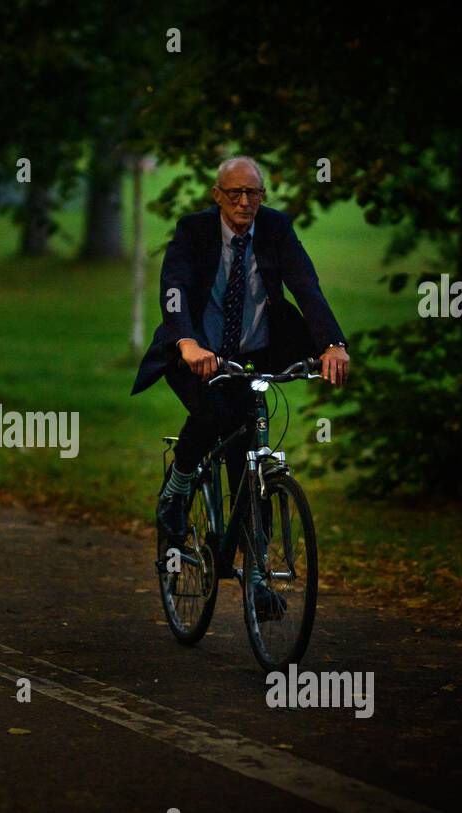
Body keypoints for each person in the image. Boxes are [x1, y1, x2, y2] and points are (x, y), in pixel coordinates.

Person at [131, 156, 350, 606]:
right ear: (218, 196)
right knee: (214, 413)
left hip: (252, 356)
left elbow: (306, 285)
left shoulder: (275, 229)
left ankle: (256, 579)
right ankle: (176, 489)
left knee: (249, 454)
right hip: (195, 354)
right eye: (235, 193)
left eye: (254, 193)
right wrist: (187, 343)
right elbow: (172, 288)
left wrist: (331, 343)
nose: (245, 202)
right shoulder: (194, 231)